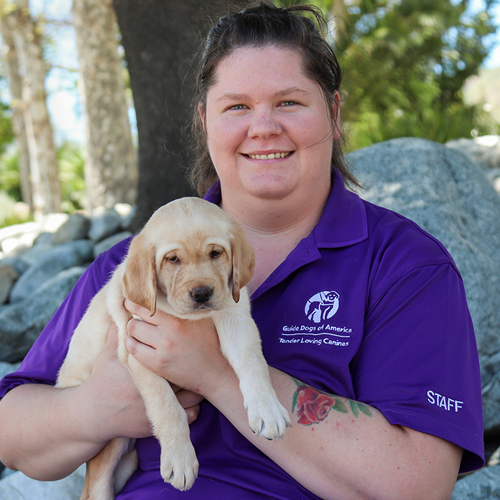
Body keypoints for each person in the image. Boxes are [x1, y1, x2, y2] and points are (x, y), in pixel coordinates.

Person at [0, 2, 484, 499]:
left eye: (290, 102)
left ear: (334, 113)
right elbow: (11, 436)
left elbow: (419, 487)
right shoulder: (135, 262)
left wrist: (215, 372)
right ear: (205, 121)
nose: (264, 127)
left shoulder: (404, 265)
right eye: (237, 107)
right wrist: (96, 407)